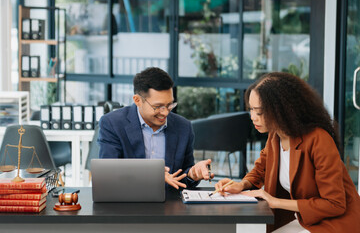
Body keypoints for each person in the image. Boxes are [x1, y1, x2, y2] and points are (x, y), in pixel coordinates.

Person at [215, 72, 360, 232]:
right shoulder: (275, 136)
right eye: (251, 110)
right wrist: (240, 185)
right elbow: (260, 170)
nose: (252, 117)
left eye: (259, 112)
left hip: (336, 224)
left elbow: (335, 204)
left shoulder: (318, 139)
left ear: (282, 110)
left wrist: (274, 202)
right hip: (307, 221)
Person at [98, 67, 214, 189]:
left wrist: (192, 174)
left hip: (169, 204)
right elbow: (108, 173)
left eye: (169, 105)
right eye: (158, 106)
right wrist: (150, 175)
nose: (165, 113)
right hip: (128, 202)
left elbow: (182, 177)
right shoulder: (113, 123)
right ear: (137, 100)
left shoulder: (183, 127)